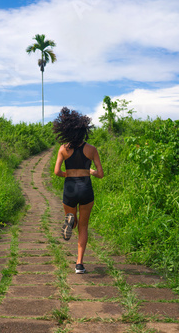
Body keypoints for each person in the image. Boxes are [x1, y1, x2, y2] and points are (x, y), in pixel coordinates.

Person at [53, 107, 104, 274]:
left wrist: (69, 174)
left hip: (69, 188)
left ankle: (70, 221)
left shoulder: (63, 149)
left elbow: (57, 172)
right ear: (84, 131)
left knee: (74, 221)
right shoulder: (91, 149)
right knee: (84, 226)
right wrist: (90, 172)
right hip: (86, 189)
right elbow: (101, 174)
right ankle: (79, 264)